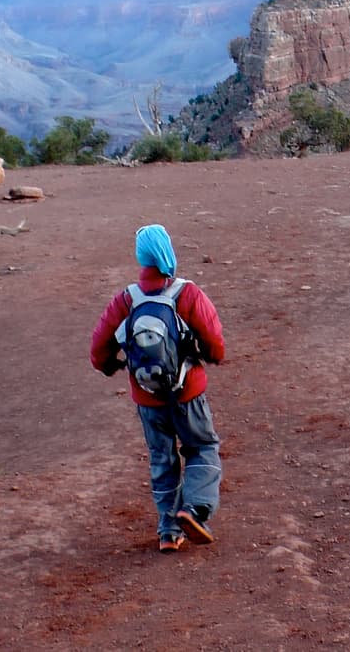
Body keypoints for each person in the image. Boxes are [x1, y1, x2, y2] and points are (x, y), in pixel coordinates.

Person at [90, 224, 227, 553]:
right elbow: (215, 344)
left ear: (141, 258)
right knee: (201, 447)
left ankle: (168, 531)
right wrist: (209, 357)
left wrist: (111, 366)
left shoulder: (126, 299)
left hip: (147, 398)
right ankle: (194, 509)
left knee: (161, 460)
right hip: (188, 393)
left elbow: (98, 349)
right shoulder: (187, 294)